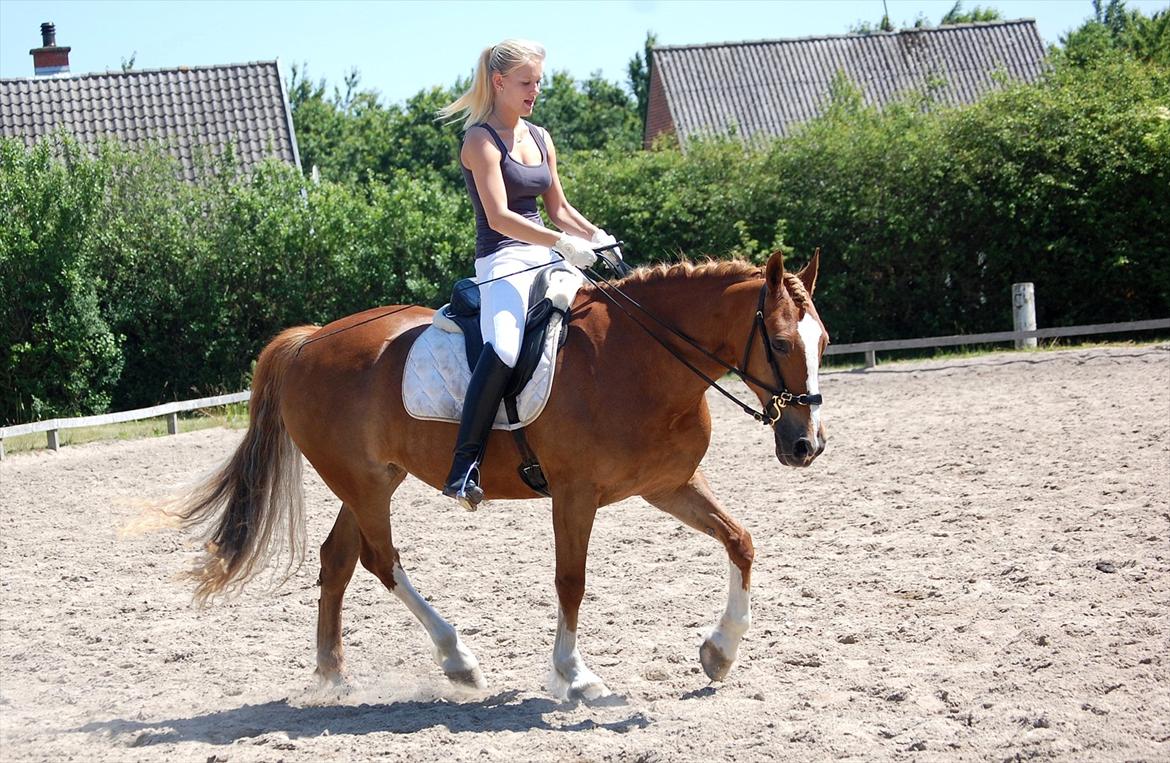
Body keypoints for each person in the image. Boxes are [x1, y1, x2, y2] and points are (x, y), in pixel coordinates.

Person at [436, 38, 618, 509]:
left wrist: (598, 237)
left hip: (547, 253)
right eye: (526, 82)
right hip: (503, 261)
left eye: (538, 81)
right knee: (505, 346)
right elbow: (498, 217)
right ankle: (464, 466)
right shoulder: (479, 140)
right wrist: (562, 243)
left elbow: (558, 208)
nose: (535, 89)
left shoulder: (539, 137)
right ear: (499, 83)